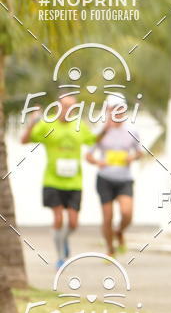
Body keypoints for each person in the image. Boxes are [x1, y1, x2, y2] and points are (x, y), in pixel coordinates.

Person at [21, 95, 96, 268]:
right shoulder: (47, 125)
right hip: (52, 181)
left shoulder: (80, 127)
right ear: (57, 107)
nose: (68, 110)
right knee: (58, 218)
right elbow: (24, 140)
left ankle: (64, 239)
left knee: (73, 222)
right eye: (65, 106)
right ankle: (61, 256)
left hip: (74, 183)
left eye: (72, 108)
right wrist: (32, 122)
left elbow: (94, 142)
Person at [86, 98, 142, 255]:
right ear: (108, 110)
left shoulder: (132, 130)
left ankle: (119, 232)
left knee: (127, 213)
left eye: (120, 109)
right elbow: (88, 156)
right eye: (113, 109)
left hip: (124, 179)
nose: (117, 112)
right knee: (108, 216)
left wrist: (132, 157)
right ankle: (110, 250)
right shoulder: (100, 131)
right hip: (105, 178)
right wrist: (98, 162)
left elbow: (139, 152)